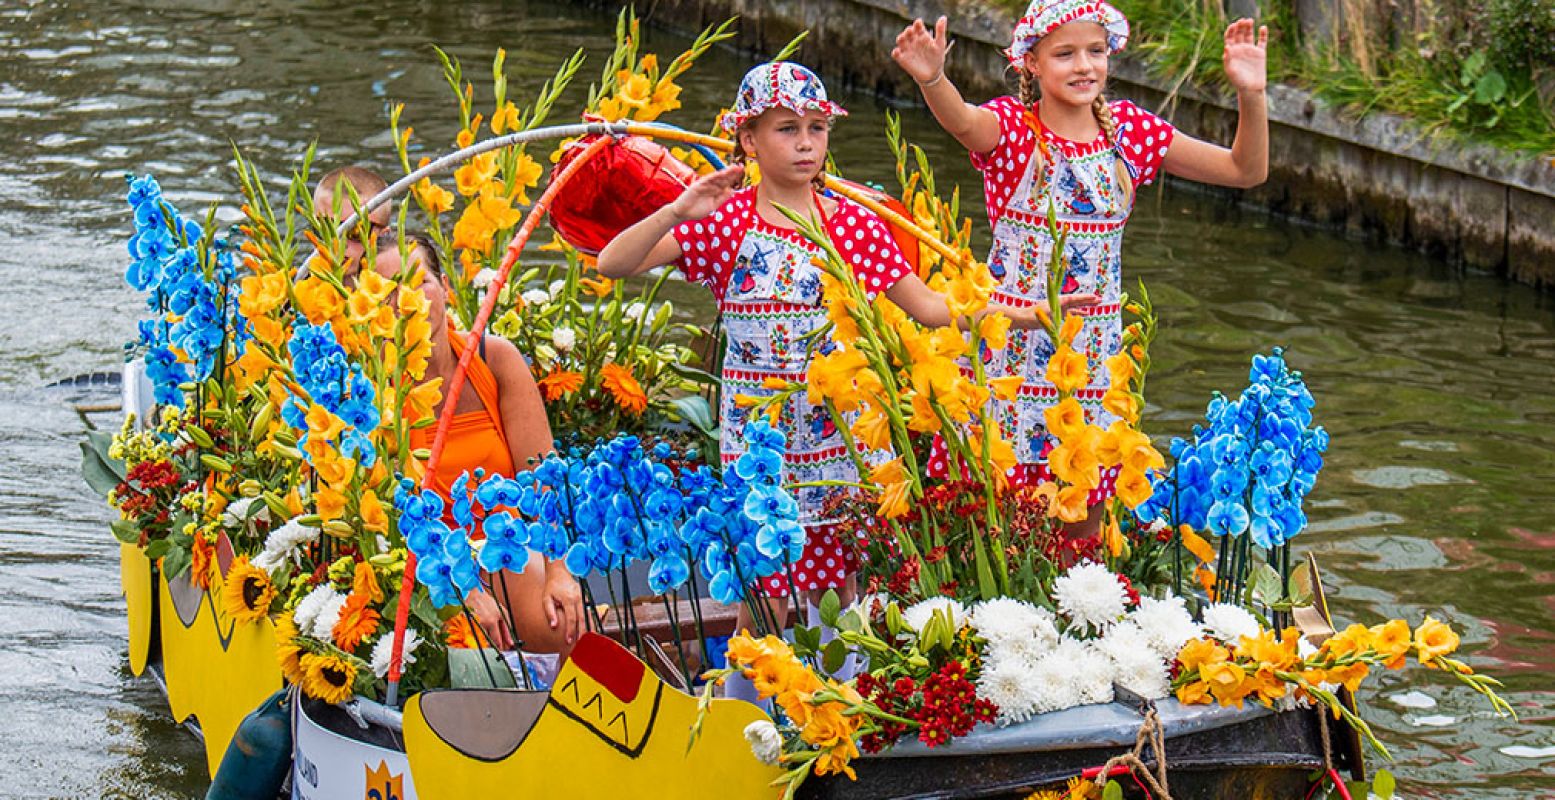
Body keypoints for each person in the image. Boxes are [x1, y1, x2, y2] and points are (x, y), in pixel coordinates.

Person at [596, 63, 1055, 697]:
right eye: (787, 129)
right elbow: (612, 262)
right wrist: (680, 207)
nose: (807, 143)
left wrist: (1029, 314)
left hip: (840, 434)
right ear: (749, 139)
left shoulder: (856, 225)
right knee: (762, 584)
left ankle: (843, 705)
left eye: (816, 128)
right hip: (758, 439)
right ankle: (746, 711)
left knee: (840, 583)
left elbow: (930, 307)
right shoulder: (725, 224)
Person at [892, 2, 1269, 531]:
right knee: (999, 517)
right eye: (1064, 54)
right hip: (1013, 354)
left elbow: (1245, 169)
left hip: (1092, 352)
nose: (1084, 66)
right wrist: (933, 78)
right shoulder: (1012, 129)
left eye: (1095, 51)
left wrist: (1251, 94)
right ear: (1032, 64)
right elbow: (963, 121)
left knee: (1084, 516)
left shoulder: (1132, 133)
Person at [312, 167, 586, 659]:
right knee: (462, 626)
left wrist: (561, 571)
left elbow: (545, 477)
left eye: (419, 283)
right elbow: (385, 518)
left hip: (506, 548)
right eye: (388, 291)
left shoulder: (492, 359)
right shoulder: (364, 385)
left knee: (556, 614)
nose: (407, 301)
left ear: (446, 289)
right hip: (423, 561)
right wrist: (464, 586)